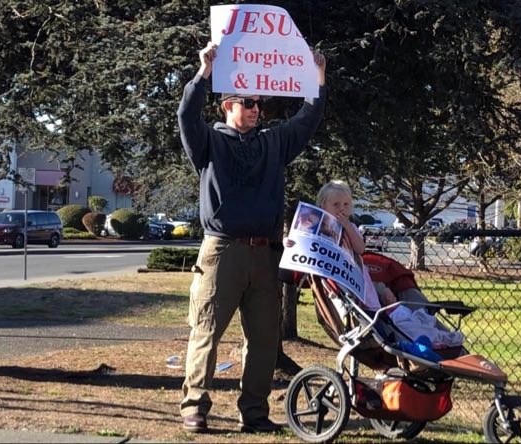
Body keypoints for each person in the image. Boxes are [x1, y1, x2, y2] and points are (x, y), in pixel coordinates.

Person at [177, 41, 326, 434]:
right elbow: (186, 116)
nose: (256, 108)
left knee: (263, 339)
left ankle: (255, 413)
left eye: (259, 103)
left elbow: (306, 121)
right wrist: (203, 72)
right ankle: (195, 407)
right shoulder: (209, 142)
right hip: (221, 253)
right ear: (228, 105)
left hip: (266, 255)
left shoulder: (273, 143)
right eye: (247, 102)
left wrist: (317, 81)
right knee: (206, 330)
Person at [315, 181, 464, 348]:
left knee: (383, 311)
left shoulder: (352, 228)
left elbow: (360, 248)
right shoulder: (320, 230)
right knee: (370, 314)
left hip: (361, 282)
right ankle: (410, 340)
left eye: (346, 204)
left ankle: (418, 340)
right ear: (323, 205)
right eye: (336, 204)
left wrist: (348, 227)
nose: (342, 208)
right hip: (342, 285)